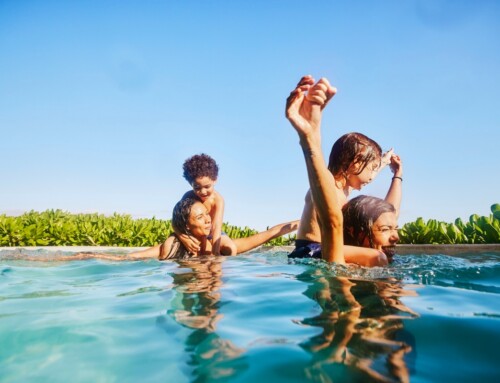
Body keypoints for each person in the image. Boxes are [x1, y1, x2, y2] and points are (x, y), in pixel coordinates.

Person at [287, 77, 403, 266]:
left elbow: (382, 209)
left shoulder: (344, 190)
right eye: (371, 169)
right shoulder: (330, 184)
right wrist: (311, 136)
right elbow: (320, 177)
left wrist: (386, 166)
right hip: (310, 250)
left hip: (321, 249)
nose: (373, 176)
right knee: (376, 258)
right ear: (355, 163)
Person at [127, 197, 299, 260]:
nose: (208, 220)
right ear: (187, 225)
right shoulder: (174, 245)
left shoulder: (224, 247)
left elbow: (270, 233)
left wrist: (306, 221)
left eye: (207, 214)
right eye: (200, 218)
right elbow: (132, 257)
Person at [179, 153, 237, 256]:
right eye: (197, 188)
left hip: (211, 232)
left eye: (207, 186)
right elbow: (177, 221)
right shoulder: (188, 197)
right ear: (190, 184)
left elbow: (216, 227)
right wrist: (183, 237)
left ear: (215, 180)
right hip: (193, 232)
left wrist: (216, 253)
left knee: (231, 249)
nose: (203, 192)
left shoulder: (218, 200)